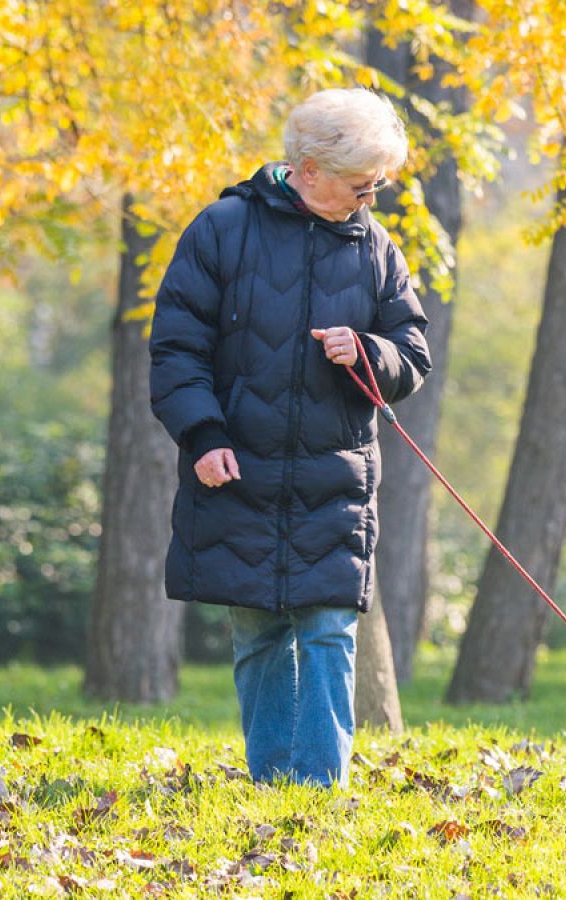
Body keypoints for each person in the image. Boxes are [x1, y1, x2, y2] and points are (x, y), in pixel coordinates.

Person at [149, 88, 430, 787]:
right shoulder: (220, 229)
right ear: (307, 169)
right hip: (238, 469)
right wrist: (203, 435)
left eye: (378, 185)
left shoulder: (376, 247)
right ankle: (272, 783)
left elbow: (412, 354)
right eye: (360, 184)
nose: (371, 198)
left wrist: (368, 351)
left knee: (331, 630)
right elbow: (176, 350)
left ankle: (318, 790)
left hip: (335, 480)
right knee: (261, 634)